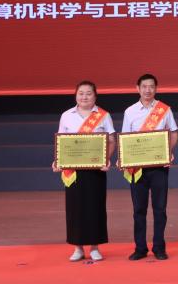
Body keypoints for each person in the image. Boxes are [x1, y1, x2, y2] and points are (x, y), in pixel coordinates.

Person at [53, 81, 116, 262]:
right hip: (73, 171)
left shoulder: (103, 115)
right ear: (76, 95)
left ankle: (95, 246)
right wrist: (58, 161)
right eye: (81, 93)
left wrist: (106, 159)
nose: (84, 97)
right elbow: (61, 141)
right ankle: (78, 247)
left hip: (96, 169)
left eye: (88, 93)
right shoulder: (67, 115)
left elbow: (111, 140)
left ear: (95, 96)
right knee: (75, 208)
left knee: (96, 207)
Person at [121, 73, 178, 261]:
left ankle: (159, 247)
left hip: (159, 166)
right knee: (139, 210)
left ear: (156, 88)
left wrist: (168, 151)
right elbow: (125, 138)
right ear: (137, 88)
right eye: (144, 86)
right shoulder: (130, 111)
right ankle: (140, 248)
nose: (148, 90)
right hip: (137, 169)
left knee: (160, 209)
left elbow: (174, 133)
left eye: (151, 86)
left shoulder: (164, 109)